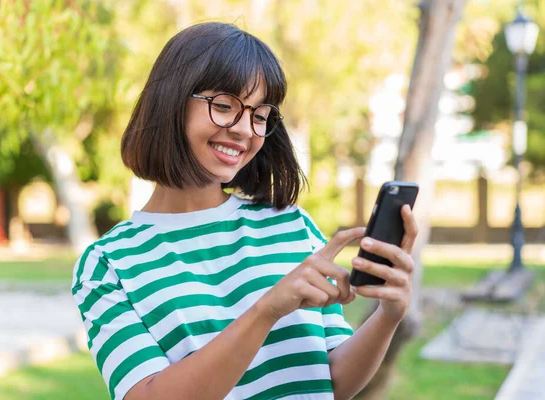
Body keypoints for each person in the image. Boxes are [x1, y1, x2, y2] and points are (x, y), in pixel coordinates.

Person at [71, 22, 418, 400]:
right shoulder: (110, 264)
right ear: (170, 101)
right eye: (223, 106)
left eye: (260, 115)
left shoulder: (292, 226)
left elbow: (330, 383)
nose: (244, 130)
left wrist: (388, 317)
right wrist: (266, 310)